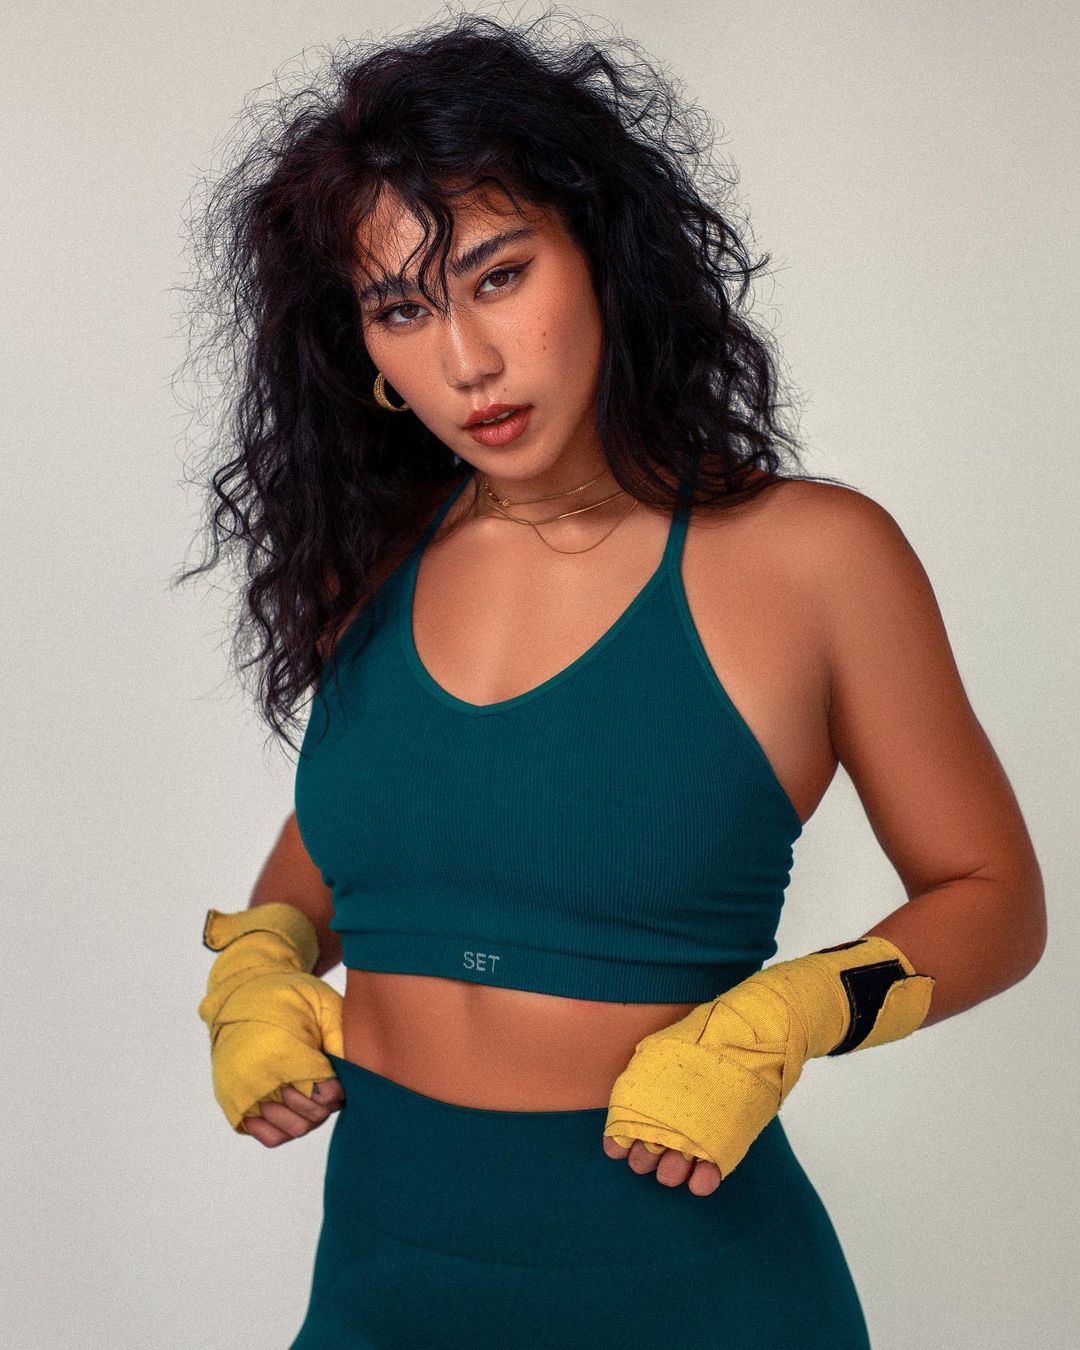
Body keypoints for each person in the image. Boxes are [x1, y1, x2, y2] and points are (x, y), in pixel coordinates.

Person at [180, 11, 1046, 1348]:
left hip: (693, 1295)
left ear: (600, 251)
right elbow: (357, 845)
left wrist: (786, 1016)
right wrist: (259, 960)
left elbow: (994, 898)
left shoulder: (812, 557)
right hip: (377, 1294)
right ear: (364, 347)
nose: (466, 360)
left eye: (498, 275)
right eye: (402, 307)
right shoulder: (376, 558)